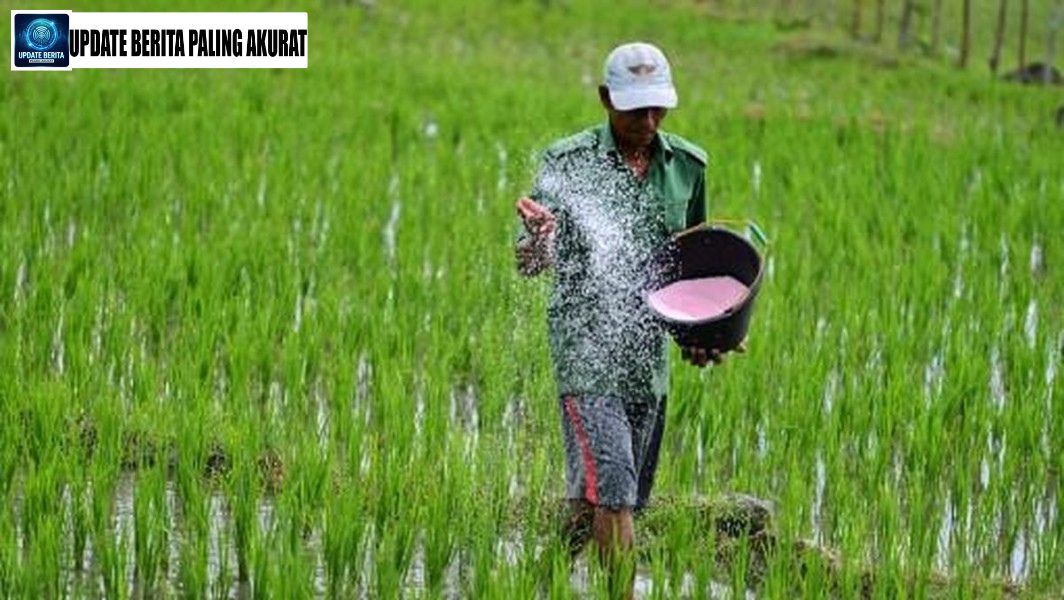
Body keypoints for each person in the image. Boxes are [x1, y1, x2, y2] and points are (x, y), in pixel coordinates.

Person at [514, 42, 743, 596]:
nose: (647, 121)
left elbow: (692, 270)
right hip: (585, 346)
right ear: (604, 99)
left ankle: (526, 586)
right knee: (615, 493)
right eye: (634, 108)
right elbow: (528, 263)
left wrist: (706, 333)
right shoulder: (567, 164)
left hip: (646, 354)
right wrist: (539, 243)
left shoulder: (687, 167)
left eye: (657, 108)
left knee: (601, 499)